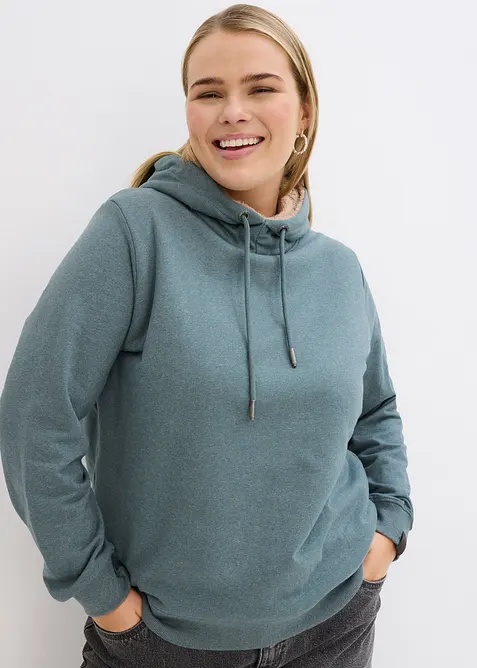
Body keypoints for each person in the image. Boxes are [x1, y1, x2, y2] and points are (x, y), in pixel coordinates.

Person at [0, 4, 414, 667]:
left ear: (305, 112)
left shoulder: (338, 269)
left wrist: (386, 529)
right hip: (163, 644)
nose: (233, 111)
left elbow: (376, 412)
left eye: (260, 87)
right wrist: (102, 594)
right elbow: (34, 415)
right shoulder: (134, 234)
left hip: (334, 626)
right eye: (209, 92)